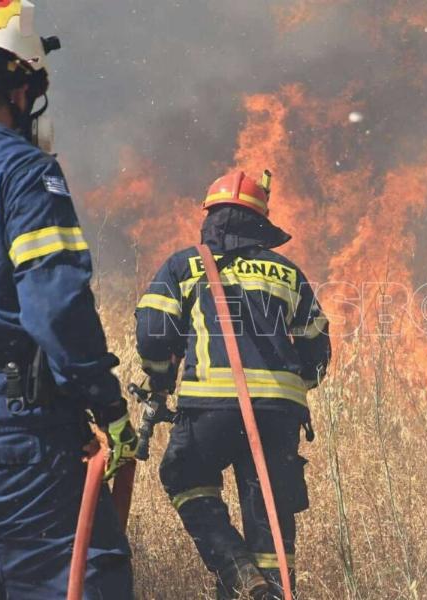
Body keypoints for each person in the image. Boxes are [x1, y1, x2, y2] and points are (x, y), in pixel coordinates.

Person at [0, 2, 137, 597]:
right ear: (24, 86)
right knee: (82, 581)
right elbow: (55, 304)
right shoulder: (22, 170)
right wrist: (107, 406)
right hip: (10, 436)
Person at [135, 169, 331, 599]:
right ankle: (267, 588)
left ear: (211, 216)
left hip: (211, 406)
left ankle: (238, 573)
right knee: (271, 525)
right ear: (261, 221)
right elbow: (317, 345)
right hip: (279, 415)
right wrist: (296, 383)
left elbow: (152, 332)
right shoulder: (286, 271)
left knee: (185, 476)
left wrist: (162, 376)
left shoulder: (185, 264)